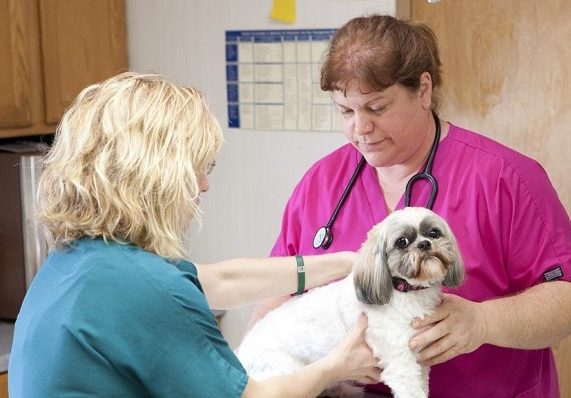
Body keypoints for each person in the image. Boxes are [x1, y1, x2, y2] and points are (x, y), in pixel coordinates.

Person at [248, 15, 571, 398]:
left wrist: (482, 322)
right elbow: (277, 297)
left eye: (376, 108)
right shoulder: (321, 183)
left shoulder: (504, 178)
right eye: (346, 112)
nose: (359, 129)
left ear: (424, 90)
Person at [8, 72, 381, 398]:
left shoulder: (79, 260)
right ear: (156, 174)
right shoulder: (146, 290)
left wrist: (345, 262)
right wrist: (337, 366)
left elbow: (220, 279)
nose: (204, 184)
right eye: (198, 168)